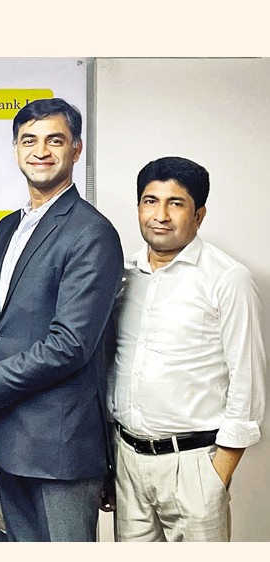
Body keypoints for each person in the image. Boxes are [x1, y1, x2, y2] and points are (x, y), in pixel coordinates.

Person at [0, 98, 124, 541]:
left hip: (61, 447)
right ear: (16, 149)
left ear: (76, 149)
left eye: (55, 140)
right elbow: (8, 323)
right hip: (11, 439)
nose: (41, 151)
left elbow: (70, 345)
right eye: (29, 140)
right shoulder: (8, 227)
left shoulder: (91, 232)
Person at [105, 156, 265, 542]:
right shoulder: (122, 275)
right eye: (150, 201)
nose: (160, 215)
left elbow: (248, 382)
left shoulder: (227, 279)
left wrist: (216, 476)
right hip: (126, 461)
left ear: (199, 215)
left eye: (175, 203)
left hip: (194, 467)